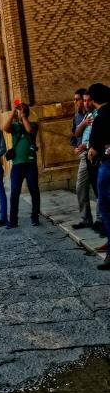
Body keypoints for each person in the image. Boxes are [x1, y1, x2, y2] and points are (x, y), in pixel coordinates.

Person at [87, 83, 110, 270]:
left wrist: (92, 152)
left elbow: (94, 147)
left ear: (93, 100)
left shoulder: (101, 117)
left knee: (106, 206)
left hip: (107, 165)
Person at [6, 101, 41, 226]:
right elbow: (5, 128)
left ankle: (35, 216)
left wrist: (23, 117)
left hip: (30, 163)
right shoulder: (15, 126)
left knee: (34, 191)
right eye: (20, 110)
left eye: (23, 109)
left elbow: (29, 129)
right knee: (14, 192)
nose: (21, 111)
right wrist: (12, 113)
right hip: (17, 164)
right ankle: (13, 220)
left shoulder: (33, 125)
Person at [75, 89, 99, 230]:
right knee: (80, 187)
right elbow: (77, 132)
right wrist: (83, 124)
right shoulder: (87, 115)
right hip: (84, 155)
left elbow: (101, 136)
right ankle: (86, 219)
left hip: (94, 153)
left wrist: (87, 145)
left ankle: (101, 220)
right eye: (84, 100)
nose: (85, 103)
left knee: (98, 187)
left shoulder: (98, 114)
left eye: (87, 100)